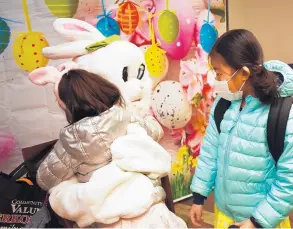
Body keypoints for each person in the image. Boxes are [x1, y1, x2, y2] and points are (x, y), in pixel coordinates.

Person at [34, 69, 186, 228]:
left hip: (109, 221)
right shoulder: (126, 116)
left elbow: (44, 179)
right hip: (150, 211)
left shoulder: (69, 143)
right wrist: (144, 115)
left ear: (67, 107)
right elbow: (155, 131)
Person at [190, 29, 293, 228]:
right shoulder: (223, 106)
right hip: (226, 215)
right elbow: (210, 153)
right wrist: (199, 197)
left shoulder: (284, 115)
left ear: (243, 73)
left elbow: (292, 178)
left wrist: (257, 222)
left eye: (220, 73)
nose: (216, 80)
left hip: (264, 221)